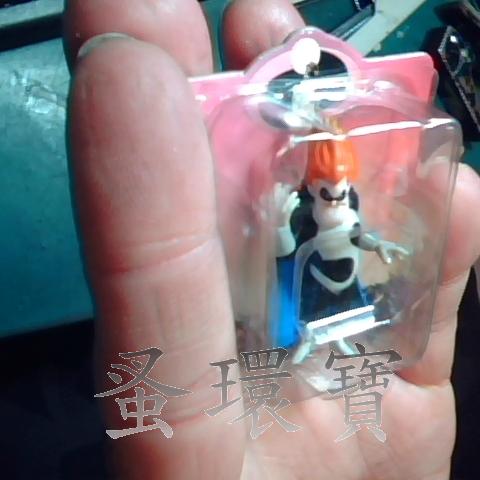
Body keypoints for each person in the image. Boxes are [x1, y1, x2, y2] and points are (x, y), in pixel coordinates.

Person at [64, 0, 480, 478]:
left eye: (341, 190)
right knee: (305, 323)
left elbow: (361, 235)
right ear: (312, 191)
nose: (337, 198)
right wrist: (279, 222)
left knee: (345, 317)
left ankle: (336, 343)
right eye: (327, 191)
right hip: (310, 281)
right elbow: (288, 251)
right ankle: (306, 344)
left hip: (346, 285)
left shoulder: (349, 207)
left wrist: (382, 246)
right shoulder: (304, 214)